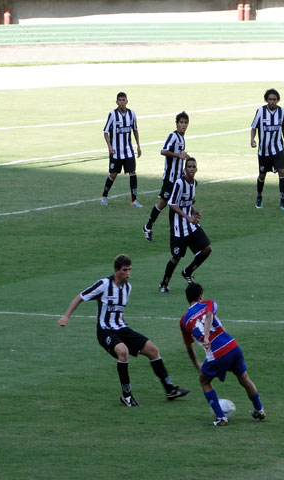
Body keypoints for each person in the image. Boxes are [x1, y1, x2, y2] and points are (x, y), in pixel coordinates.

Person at [58, 254, 189, 406]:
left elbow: (118, 310)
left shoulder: (128, 287)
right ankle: (126, 395)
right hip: (105, 331)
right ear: (116, 270)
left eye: (130, 270)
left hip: (122, 328)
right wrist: (66, 316)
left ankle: (170, 389)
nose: (128, 274)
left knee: (153, 350)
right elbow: (80, 297)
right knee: (123, 351)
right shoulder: (104, 284)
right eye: (125, 270)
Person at [180, 283, 265, 426]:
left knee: (204, 381)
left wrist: (197, 362)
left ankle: (221, 418)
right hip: (233, 346)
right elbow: (208, 315)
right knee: (244, 378)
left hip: (217, 353)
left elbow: (189, 345)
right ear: (201, 295)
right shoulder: (209, 303)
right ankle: (260, 409)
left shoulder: (183, 321)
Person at [159, 157, 212, 293]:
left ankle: (188, 271)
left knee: (207, 249)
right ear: (185, 169)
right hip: (179, 227)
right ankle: (164, 283)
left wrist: (194, 212)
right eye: (189, 166)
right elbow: (172, 203)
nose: (191, 169)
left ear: (197, 169)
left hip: (191, 225)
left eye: (194, 167)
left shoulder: (194, 184)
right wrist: (188, 217)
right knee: (176, 257)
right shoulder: (179, 183)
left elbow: (188, 202)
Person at [142, 111, 190, 242]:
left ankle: (176, 230)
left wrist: (185, 158)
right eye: (181, 123)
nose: (183, 125)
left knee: (176, 204)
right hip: (170, 178)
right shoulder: (173, 136)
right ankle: (148, 227)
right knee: (164, 204)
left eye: (185, 123)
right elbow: (163, 151)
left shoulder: (181, 137)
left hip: (178, 178)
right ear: (176, 124)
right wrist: (178, 155)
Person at [250, 88, 284, 211]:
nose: (272, 101)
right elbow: (253, 127)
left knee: (282, 172)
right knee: (262, 175)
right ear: (266, 100)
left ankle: (283, 201)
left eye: (274, 99)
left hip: (277, 148)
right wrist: (252, 139)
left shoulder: (282, 111)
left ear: (277, 100)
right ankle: (259, 197)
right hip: (264, 151)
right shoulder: (261, 111)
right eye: (270, 99)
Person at [100, 92, 142, 207]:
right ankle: (104, 196)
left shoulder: (132, 114)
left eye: (123, 100)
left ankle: (134, 200)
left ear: (127, 101)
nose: (122, 102)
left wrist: (138, 145)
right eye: (119, 100)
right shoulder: (113, 114)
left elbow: (135, 130)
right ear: (116, 102)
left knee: (132, 172)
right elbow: (105, 132)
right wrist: (109, 146)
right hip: (116, 151)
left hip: (128, 150)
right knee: (113, 174)